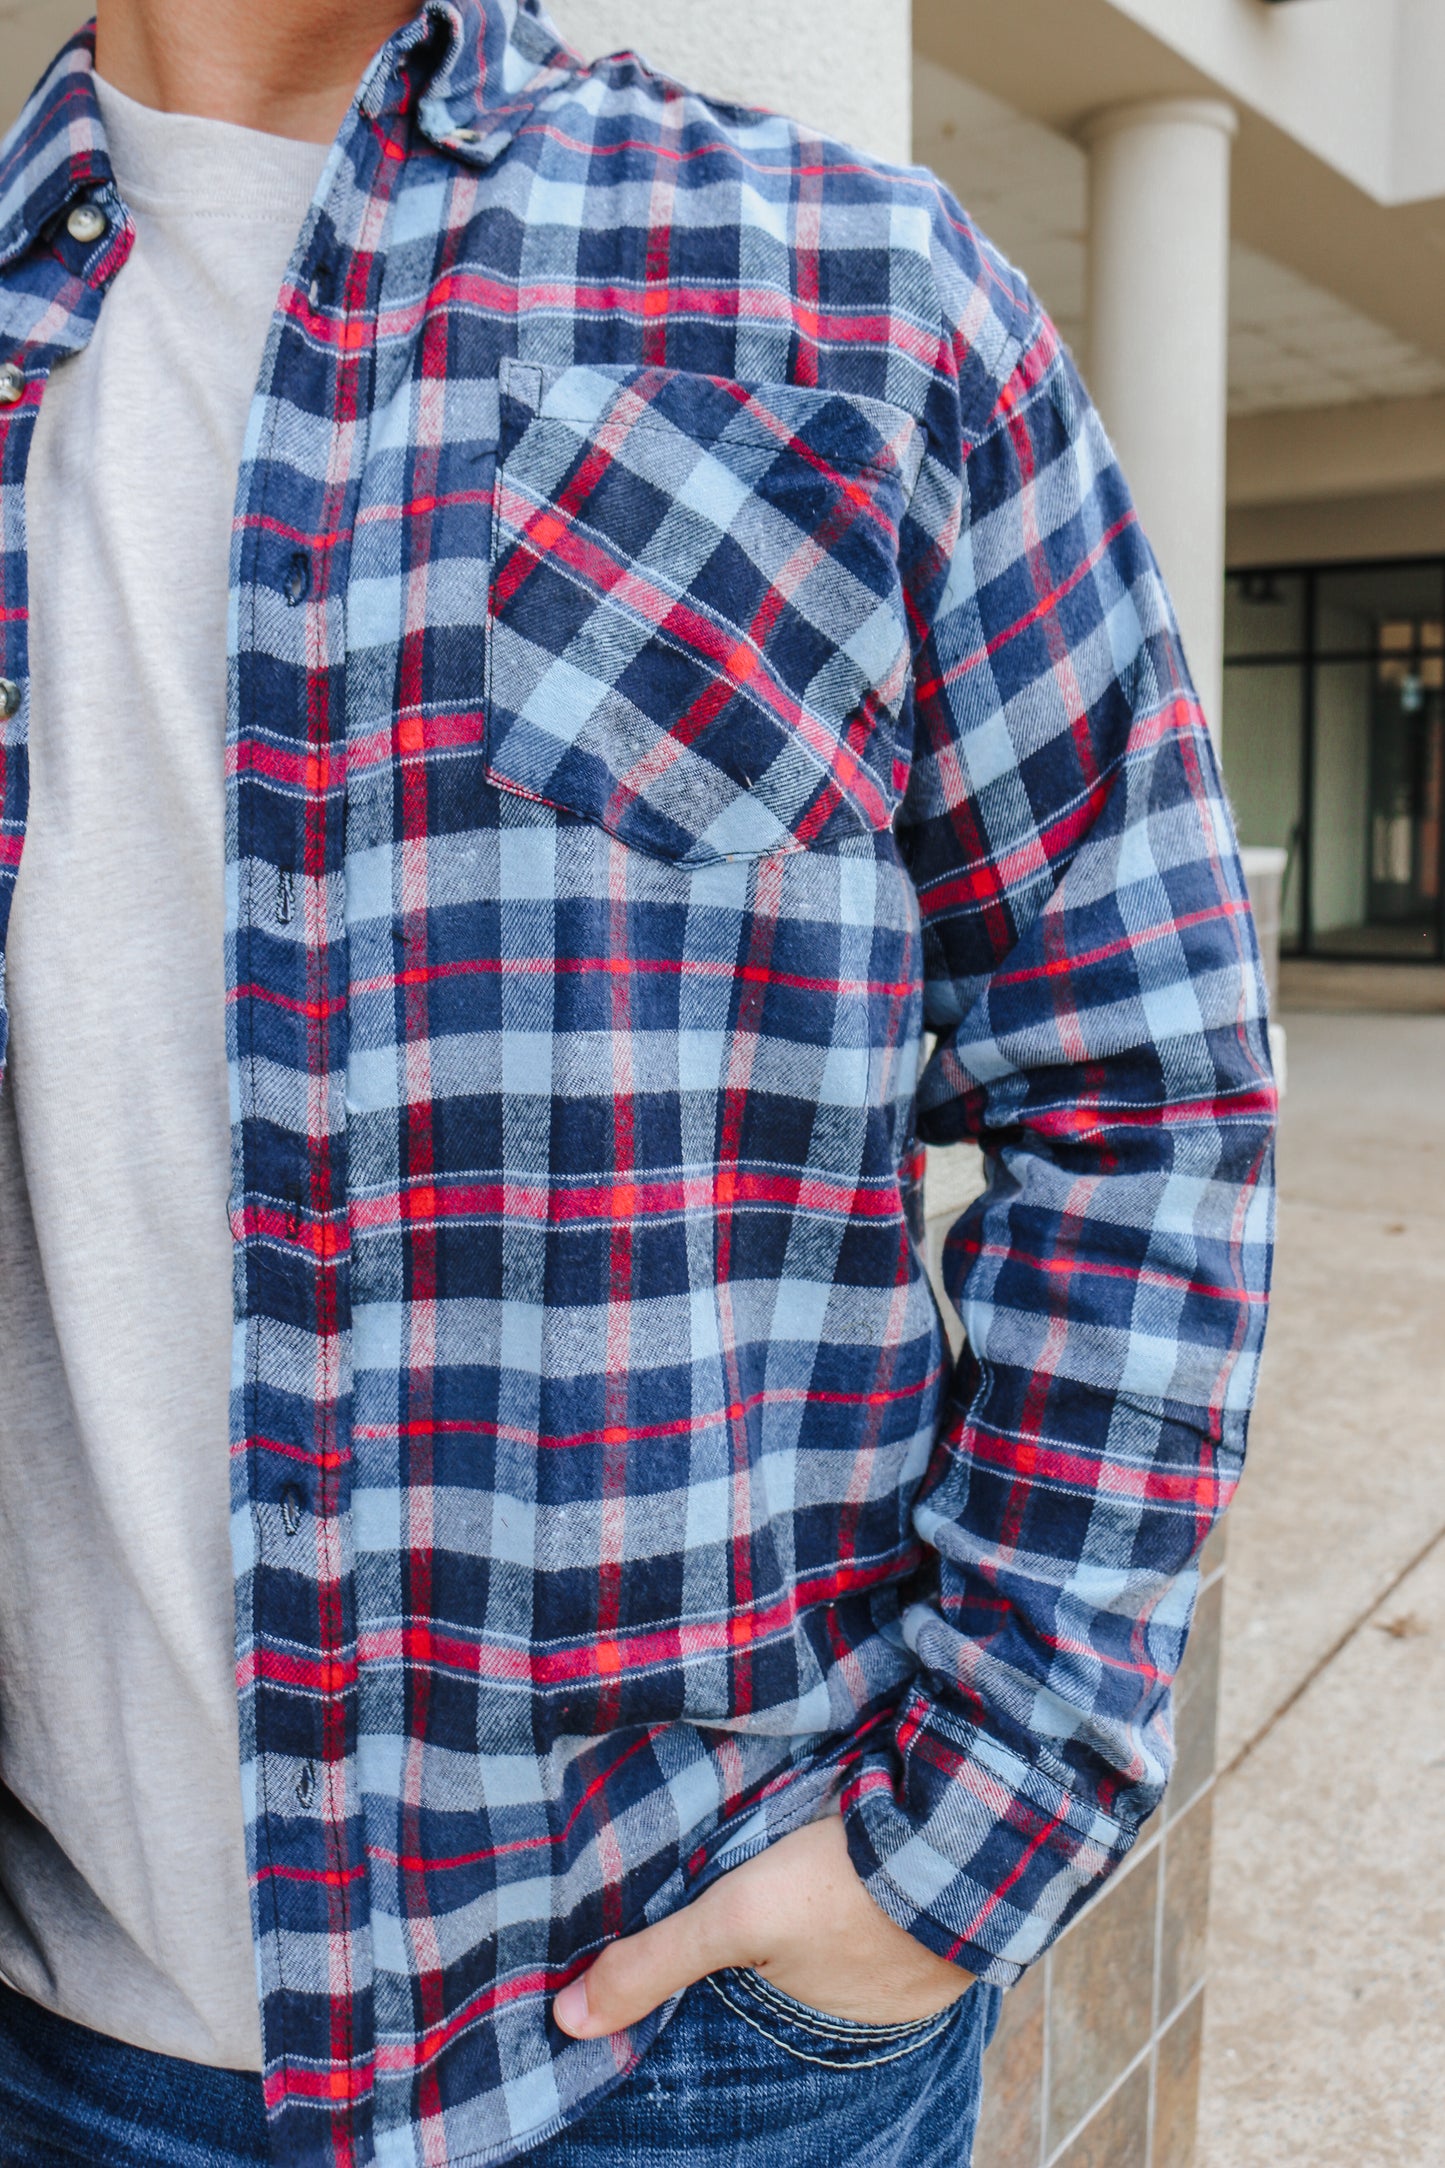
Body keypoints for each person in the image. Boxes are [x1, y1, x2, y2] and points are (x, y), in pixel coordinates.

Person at [0, 1, 1276, 2161]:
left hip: (687, 2051)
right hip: (61, 2053)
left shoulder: (849, 286)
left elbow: (1146, 1089)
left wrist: (952, 1845)